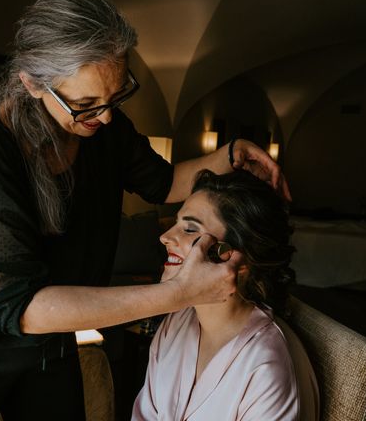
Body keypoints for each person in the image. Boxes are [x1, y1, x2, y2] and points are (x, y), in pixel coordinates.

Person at [0, 0, 290, 421]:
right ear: (32, 83)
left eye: (115, 96)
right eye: (85, 105)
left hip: (48, 344)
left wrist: (230, 155)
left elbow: (164, 181)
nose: (105, 116)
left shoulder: (105, 126)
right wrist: (177, 294)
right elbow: (21, 308)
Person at [133, 169, 318, 421]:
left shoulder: (266, 367)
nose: (165, 237)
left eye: (189, 229)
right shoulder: (175, 325)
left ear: (237, 258)